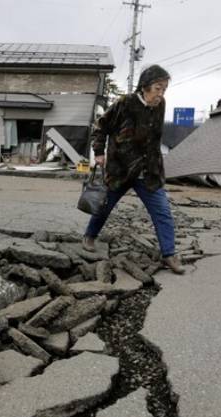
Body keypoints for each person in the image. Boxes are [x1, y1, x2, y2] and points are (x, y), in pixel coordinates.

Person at [82, 64, 185, 274]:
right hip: (121, 168)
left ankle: (169, 254)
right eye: (158, 88)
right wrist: (99, 152)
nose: (161, 93)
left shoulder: (160, 104)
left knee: (163, 212)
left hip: (148, 171)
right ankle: (90, 236)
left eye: (164, 89)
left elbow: (154, 137)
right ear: (144, 86)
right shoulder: (125, 103)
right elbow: (101, 127)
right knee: (104, 206)